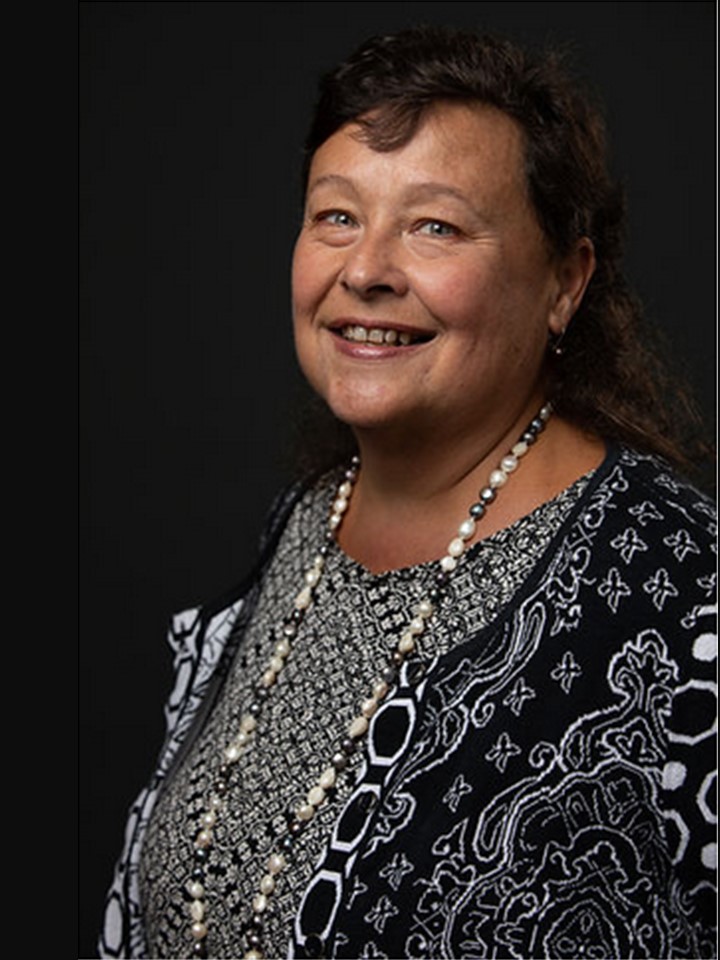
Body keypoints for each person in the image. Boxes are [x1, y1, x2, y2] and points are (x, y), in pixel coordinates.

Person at [99, 25, 716, 960]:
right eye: (336, 216)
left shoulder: (685, 592)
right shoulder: (303, 528)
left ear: (565, 281)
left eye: (435, 225)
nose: (366, 268)